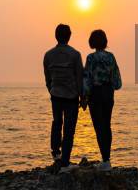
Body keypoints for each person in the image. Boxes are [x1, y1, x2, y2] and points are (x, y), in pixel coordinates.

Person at [43, 24, 83, 172]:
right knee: (69, 129)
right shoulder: (75, 55)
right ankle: (65, 161)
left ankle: (56, 152)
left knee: (57, 122)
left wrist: (51, 90)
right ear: (69, 36)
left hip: (55, 95)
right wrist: (83, 97)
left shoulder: (48, 55)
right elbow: (79, 78)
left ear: (56, 36)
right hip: (71, 96)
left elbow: (47, 78)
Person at [81, 29, 122, 171]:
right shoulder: (111, 57)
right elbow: (117, 81)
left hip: (96, 95)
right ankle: (107, 159)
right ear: (105, 42)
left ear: (92, 42)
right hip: (108, 94)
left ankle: (105, 161)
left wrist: (84, 98)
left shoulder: (91, 58)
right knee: (107, 125)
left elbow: (86, 80)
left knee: (99, 128)